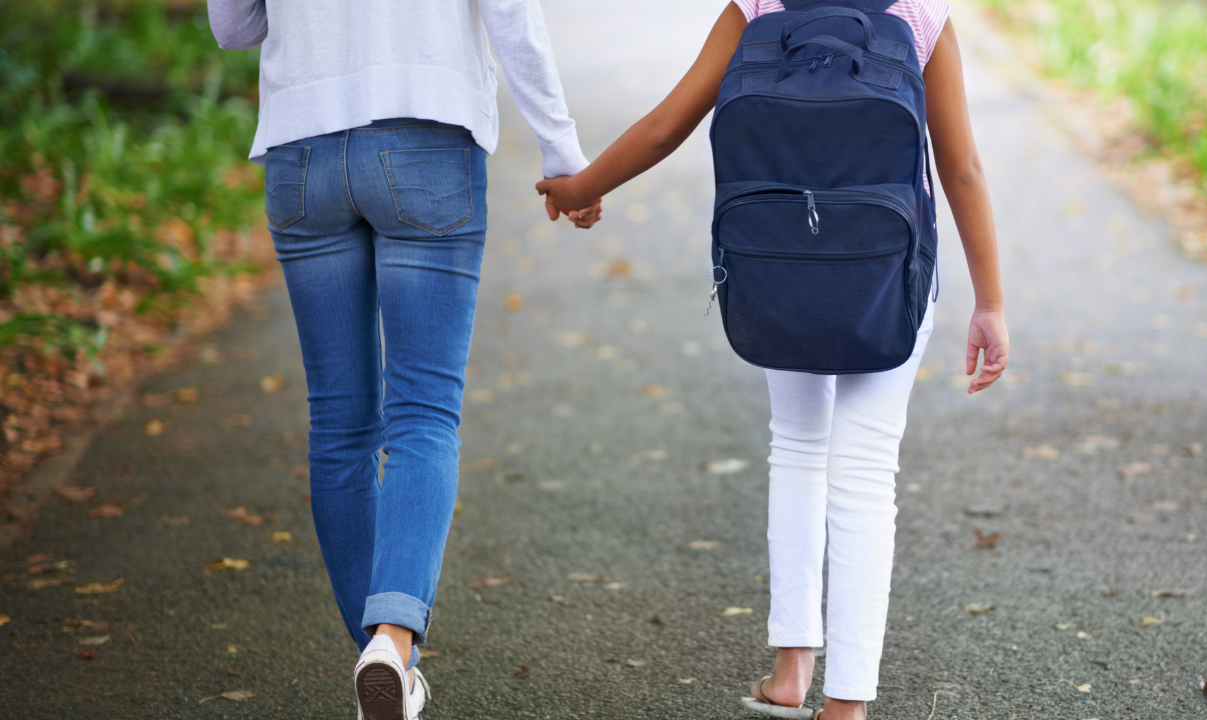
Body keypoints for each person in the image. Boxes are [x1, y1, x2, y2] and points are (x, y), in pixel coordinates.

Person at [537, 1, 1008, 718]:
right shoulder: (917, 13)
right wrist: (990, 304)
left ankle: (791, 671)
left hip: (778, 264)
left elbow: (668, 126)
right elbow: (962, 167)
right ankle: (846, 701)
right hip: (890, 275)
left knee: (796, 447)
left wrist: (583, 186)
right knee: (865, 471)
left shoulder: (762, 6)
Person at [208, 1, 600, 718]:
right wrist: (561, 149)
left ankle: (384, 663)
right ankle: (391, 645)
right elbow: (510, 11)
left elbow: (234, 28)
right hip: (426, 137)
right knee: (422, 412)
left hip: (303, 153)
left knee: (338, 426)